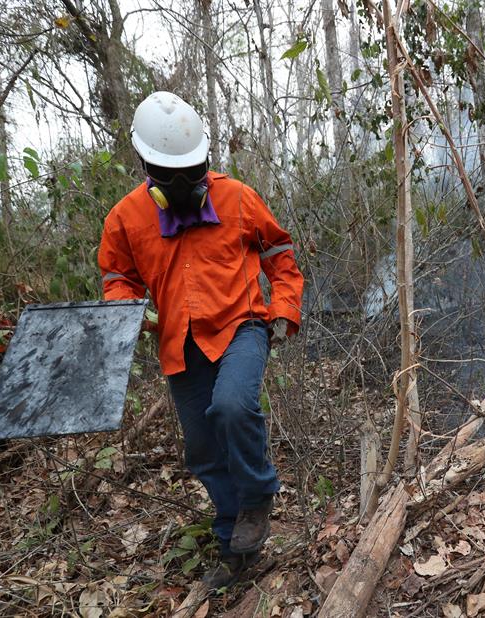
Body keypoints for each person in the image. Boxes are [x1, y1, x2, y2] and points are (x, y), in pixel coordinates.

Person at [98, 91, 304, 589]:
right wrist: (124, 311)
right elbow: (117, 278)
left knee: (233, 408)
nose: (188, 184)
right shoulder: (125, 218)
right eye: (174, 177)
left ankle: (258, 497)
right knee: (203, 448)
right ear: (148, 168)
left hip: (242, 325)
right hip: (179, 341)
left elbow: (280, 251)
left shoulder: (237, 197)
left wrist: (282, 308)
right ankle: (235, 542)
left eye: (195, 172)